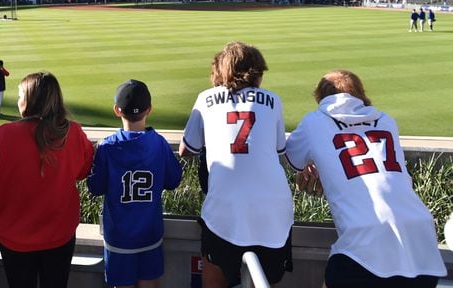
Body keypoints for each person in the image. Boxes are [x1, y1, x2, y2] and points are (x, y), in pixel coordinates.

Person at [285, 69, 445, 288]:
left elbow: (292, 157)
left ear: (321, 98)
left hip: (366, 241)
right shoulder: (387, 120)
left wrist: (315, 164)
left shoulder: (315, 121)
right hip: (420, 240)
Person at [179, 41, 293, 288]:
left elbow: (186, 149)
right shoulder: (273, 100)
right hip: (273, 213)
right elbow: (278, 151)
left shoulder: (206, 97)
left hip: (224, 212)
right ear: (257, 73)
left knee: (215, 278)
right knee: (263, 281)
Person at [0, 71, 94, 288]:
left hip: (16, 237)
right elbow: (83, 170)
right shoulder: (73, 133)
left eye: (21, 95)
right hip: (59, 234)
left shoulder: (5, 134)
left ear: (31, 100)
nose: (18, 100)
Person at [88, 80, 182, 288]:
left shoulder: (107, 146)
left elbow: (95, 187)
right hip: (150, 234)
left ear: (116, 111)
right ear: (149, 109)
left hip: (119, 238)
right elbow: (173, 180)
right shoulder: (158, 143)